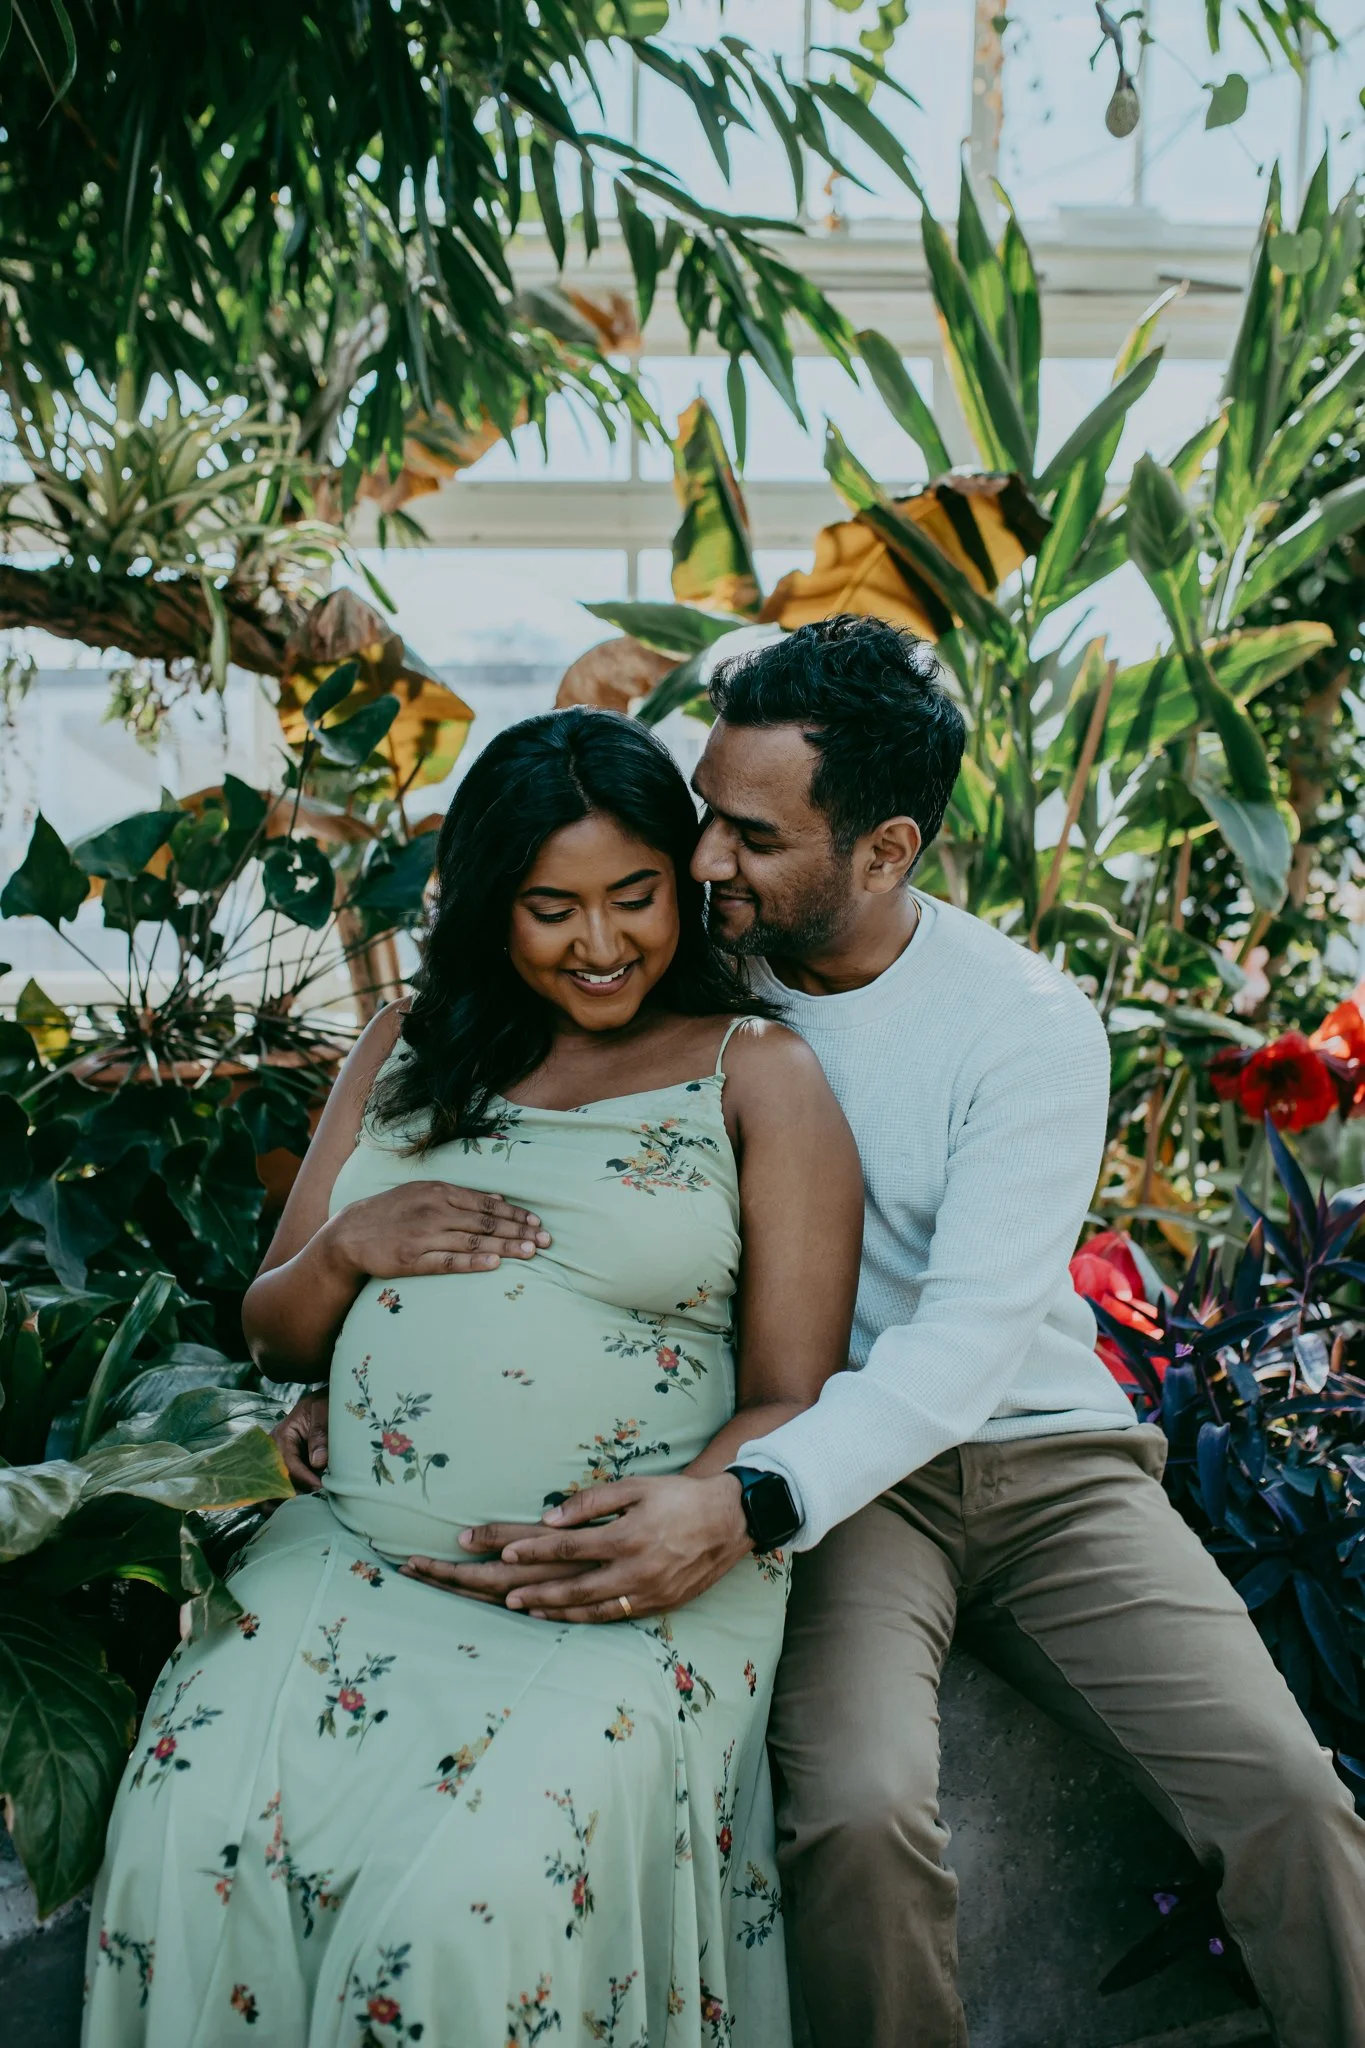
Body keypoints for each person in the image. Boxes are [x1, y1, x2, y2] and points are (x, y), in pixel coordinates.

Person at [281, 615, 1365, 2048]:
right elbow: (533, 1147)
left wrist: (740, 1502)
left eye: (749, 834)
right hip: (834, 1481)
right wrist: (365, 1359)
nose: (703, 861)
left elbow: (969, 1344)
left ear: (885, 851)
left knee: (1286, 1795)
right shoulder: (683, 967)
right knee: (855, 1812)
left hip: (1042, 1463)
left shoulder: (1025, 1025)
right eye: (705, 815)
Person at [85, 707, 862, 2048]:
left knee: (458, 1913)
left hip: (623, 1581)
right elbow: (276, 1329)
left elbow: (794, 1391)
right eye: (551, 908)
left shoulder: (759, 1076)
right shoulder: (404, 1046)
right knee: (187, 1826)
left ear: (683, 884)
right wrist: (350, 1251)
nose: (603, 943)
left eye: (636, 898)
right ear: (491, 907)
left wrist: (681, 1524)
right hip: (351, 1553)